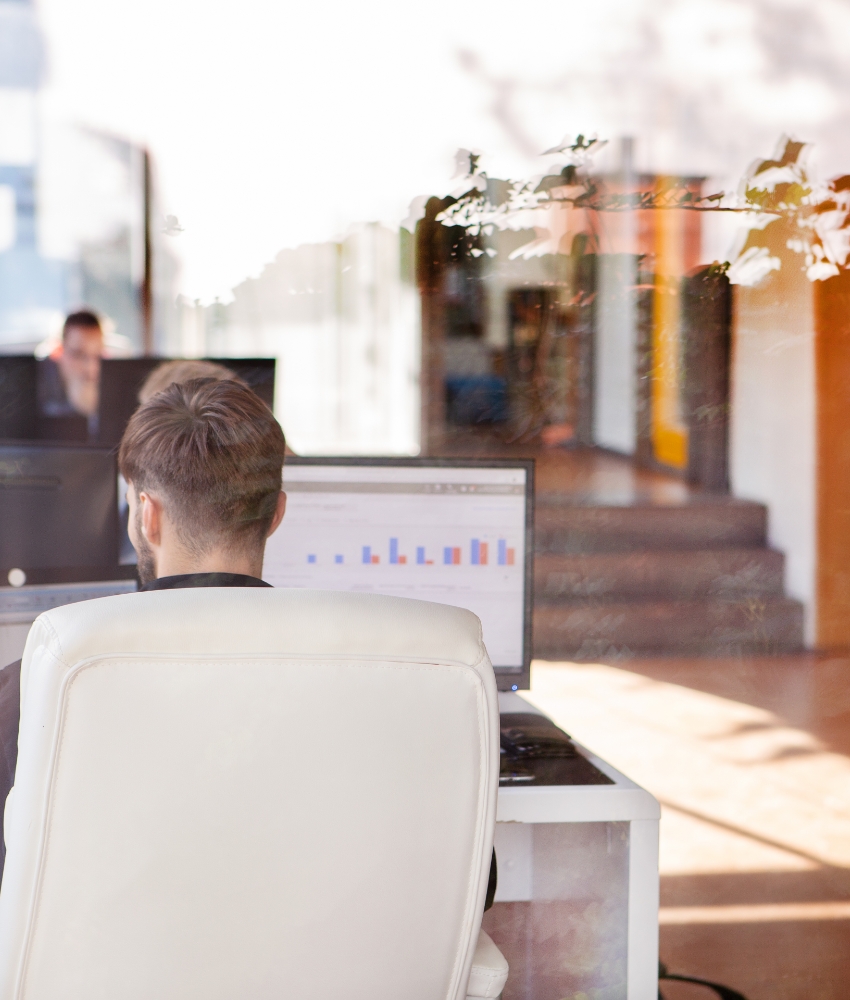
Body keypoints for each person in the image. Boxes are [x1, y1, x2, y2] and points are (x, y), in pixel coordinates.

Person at [0, 376, 495, 905]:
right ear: (277, 513)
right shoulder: (407, 684)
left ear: (146, 516)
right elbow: (473, 884)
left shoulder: (42, 682)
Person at [37, 310, 105, 441]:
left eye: (97, 356)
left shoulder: (114, 383)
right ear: (60, 351)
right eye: (77, 355)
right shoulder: (38, 382)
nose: (90, 367)